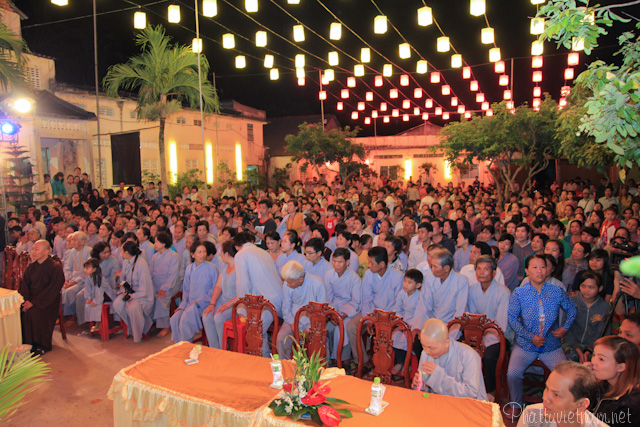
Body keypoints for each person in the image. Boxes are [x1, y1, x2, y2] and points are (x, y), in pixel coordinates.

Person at [506, 255, 577, 410]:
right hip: (525, 344)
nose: (539, 271)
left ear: (548, 270)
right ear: (527, 271)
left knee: (566, 376)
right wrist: (530, 337)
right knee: (512, 374)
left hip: (551, 345)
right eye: (535, 267)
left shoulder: (556, 291)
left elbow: (572, 309)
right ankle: (516, 405)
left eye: (543, 267)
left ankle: (559, 408)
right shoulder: (519, 293)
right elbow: (512, 318)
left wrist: (564, 328)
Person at [347, 246, 404, 361]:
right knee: (351, 327)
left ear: (382, 264)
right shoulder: (368, 274)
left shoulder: (398, 277)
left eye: (372, 263)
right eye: (368, 262)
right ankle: (362, 360)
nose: (369, 265)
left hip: (389, 316)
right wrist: (371, 318)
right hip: (371, 312)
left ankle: (383, 363)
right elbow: (366, 299)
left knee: (384, 331)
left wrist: (381, 318)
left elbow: (396, 303)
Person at [466, 255, 511, 398]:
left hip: (498, 336)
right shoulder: (472, 290)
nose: (482, 272)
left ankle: (490, 391)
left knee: (489, 356)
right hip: (477, 333)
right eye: (478, 269)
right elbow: (471, 317)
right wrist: (478, 335)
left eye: (486, 269)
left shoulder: (503, 292)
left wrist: (485, 334)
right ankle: (467, 388)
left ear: (494, 272)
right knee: (460, 349)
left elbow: (501, 324)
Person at [234, 232, 284, 356]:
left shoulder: (241, 255)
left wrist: (242, 309)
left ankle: (264, 361)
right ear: (251, 242)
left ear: (237, 247)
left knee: (255, 332)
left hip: (267, 302)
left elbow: (243, 283)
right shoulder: (263, 252)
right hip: (279, 297)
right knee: (258, 330)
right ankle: (265, 358)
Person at [411, 318, 487, 400]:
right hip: (440, 402)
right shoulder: (425, 353)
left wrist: (439, 377)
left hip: (468, 404)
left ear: (446, 343)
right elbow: (424, 391)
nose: (427, 351)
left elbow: (471, 393)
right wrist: (419, 384)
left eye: (431, 348)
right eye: (423, 346)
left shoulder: (469, 355)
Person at [517, 361, 608, 427]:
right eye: (547, 388)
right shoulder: (531, 416)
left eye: (556, 395)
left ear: (581, 405)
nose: (545, 398)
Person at [410, 248, 469, 342]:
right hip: (432, 324)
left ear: (446, 268)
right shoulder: (429, 278)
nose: (432, 269)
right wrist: (418, 327)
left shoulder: (461, 281)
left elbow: (460, 311)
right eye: (431, 266)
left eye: (435, 266)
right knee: (416, 340)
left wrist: (450, 334)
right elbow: (423, 305)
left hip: (451, 325)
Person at [19, 240, 65, 355]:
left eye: (36, 249)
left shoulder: (55, 267)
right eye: (33, 249)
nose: (33, 252)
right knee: (19, 310)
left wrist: (34, 303)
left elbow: (53, 289)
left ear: (46, 251)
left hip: (48, 302)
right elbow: (25, 285)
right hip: (31, 300)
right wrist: (26, 301)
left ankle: (41, 345)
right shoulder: (31, 267)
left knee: (33, 313)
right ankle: (27, 343)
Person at [276, 260, 327, 359]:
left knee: (320, 347)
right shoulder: (287, 284)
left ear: (300, 279)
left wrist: (309, 329)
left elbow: (322, 313)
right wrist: (293, 326)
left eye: (290, 282)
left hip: (313, 324)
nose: (287, 285)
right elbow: (286, 308)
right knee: (281, 339)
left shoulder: (318, 284)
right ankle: (286, 366)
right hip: (292, 320)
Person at [588, 336, 640, 427]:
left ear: (621, 367)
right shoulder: (601, 384)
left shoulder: (632, 404)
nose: (593, 362)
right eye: (593, 355)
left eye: (601, 359)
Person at [170, 242, 217, 343]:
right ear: (192, 254)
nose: (203, 254)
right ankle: (180, 344)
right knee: (175, 318)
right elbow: (186, 290)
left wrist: (198, 302)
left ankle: (186, 344)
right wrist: (182, 306)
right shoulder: (189, 269)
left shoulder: (212, 268)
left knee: (185, 319)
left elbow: (214, 290)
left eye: (204, 251)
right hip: (189, 303)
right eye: (199, 252)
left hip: (203, 304)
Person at [112, 241, 155, 343]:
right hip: (129, 292)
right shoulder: (125, 262)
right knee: (117, 303)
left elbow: (144, 287)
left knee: (132, 307)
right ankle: (131, 327)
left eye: (122, 250)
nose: (121, 253)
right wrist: (124, 291)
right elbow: (123, 280)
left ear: (126, 252)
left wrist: (134, 296)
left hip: (142, 295)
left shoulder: (141, 263)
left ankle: (138, 335)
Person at [564, 272, 610, 363]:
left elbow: (601, 332)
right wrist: (578, 350)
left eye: (591, 287)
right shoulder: (572, 302)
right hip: (571, 343)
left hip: (593, 346)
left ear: (600, 288)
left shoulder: (605, 308)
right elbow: (567, 328)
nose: (586, 290)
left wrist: (588, 350)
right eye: (583, 286)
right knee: (570, 359)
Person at [324, 248, 361, 361]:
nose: (336, 265)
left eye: (340, 262)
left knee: (341, 328)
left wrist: (343, 315)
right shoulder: (329, 275)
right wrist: (332, 313)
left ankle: (342, 359)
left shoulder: (354, 278)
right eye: (334, 261)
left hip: (349, 311)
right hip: (334, 308)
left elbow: (356, 301)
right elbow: (328, 297)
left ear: (348, 262)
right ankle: (328, 357)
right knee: (327, 327)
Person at [202, 241, 239, 349]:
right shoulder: (224, 265)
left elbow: (242, 293)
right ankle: (214, 348)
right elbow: (218, 286)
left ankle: (223, 349)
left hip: (235, 304)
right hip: (222, 301)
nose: (220, 254)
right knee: (207, 315)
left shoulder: (239, 268)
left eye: (221, 252)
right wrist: (212, 304)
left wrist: (226, 305)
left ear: (226, 254)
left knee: (218, 318)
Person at [391, 268, 423, 375]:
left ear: (418, 285)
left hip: (414, 323)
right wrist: (400, 322)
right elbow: (398, 309)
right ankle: (399, 362)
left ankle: (407, 364)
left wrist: (409, 325)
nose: (405, 284)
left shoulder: (420, 296)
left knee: (406, 338)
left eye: (409, 282)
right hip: (403, 321)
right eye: (405, 281)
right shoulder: (401, 294)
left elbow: (420, 313)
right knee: (395, 335)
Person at [150, 231, 181, 338]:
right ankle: (154, 323)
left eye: (157, 242)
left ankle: (165, 326)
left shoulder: (174, 256)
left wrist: (164, 288)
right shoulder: (154, 257)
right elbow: (151, 274)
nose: (155, 244)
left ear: (163, 243)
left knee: (161, 297)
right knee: (149, 297)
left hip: (171, 285)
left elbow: (173, 275)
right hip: (156, 285)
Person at [61, 231, 91, 320]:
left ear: (82, 242)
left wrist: (74, 282)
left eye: (74, 240)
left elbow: (88, 271)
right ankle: (62, 315)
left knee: (69, 292)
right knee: (61, 290)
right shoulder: (72, 252)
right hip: (71, 280)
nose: (72, 242)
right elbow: (67, 268)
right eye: (71, 240)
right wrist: (66, 280)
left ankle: (72, 316)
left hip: (84, 281)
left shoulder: (89, 251)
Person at [82, 258, 104, 333]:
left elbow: (100, 292)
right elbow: (87, 288)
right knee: (88, 304)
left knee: (97, 305)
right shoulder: (88, 277)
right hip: (96, 296)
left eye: (87, 268)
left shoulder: (99, 278)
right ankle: (95, 323)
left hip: (104, 296)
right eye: (85, 268)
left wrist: (95, 300)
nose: (85, 270)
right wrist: (88, 298)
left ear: (94, 269)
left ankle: (99, 323)